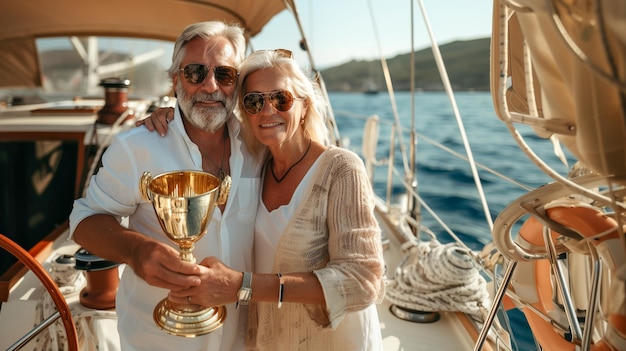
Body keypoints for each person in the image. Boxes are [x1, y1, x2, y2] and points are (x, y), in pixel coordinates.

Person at [143, 49, 385, 350]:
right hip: (271, 340)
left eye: (281, 99)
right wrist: (172, 116)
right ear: (244, 112)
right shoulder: (254, 163)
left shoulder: (340, 169)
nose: (268, 110)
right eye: (254, 101)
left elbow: (362, 281)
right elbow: (206, 122)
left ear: (304, 105)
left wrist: (242, 286)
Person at [69, 21, 262, 351]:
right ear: (175, 80)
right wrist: (136, 250)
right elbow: (84, 221)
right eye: (195, 73)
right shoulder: (136, 147)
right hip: (159, 340)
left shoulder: (260, 145)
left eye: (225, 75)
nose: (210, 86)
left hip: (244, 338)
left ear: (237, 84)